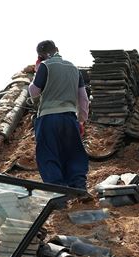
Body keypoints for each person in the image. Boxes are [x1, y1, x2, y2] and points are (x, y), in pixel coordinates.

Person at [28, 40, 90, 190]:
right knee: (74, 153)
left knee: (48, 154)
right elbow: (84, 99)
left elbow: (34, 92)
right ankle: (79, 186)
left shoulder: (45, 66)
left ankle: (57, 191)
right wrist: (81, 121)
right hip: (69, 118)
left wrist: (37, 72)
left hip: (48, 118)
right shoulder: (74, 69)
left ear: (40, 56)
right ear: (57, 49)